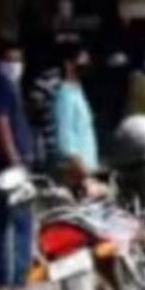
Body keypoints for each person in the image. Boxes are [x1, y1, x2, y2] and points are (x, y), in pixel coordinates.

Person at [0, 37, 36, 290]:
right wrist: (15, 159)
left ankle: (2, 283)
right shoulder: (2, 86)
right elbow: (0, 124)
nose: (16, 65)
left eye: (19, 59)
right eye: (11, 60)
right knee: (22, 221)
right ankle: (19, 282)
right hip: (7, 166)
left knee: (1, 222)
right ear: (0, 61)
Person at [50, 41, 99, 186]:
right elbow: (65, 138)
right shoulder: (65, 95)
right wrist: (83, 173)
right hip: (77, 174)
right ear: (68, 64)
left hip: (87, 170)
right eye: (81, 60)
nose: (86, 65)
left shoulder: (78, 91)